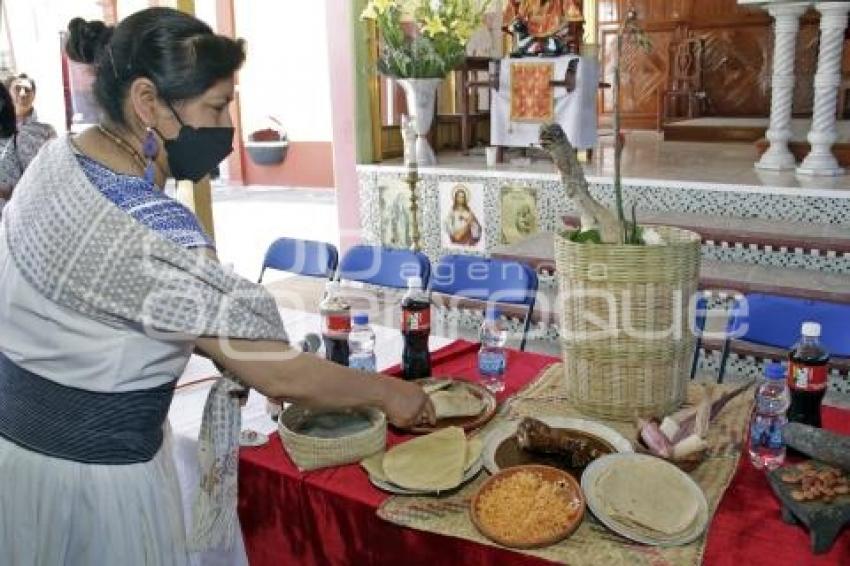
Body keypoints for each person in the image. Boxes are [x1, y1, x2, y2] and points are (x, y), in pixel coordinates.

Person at [0, 8, 433, 565]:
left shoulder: (53, 163)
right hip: (96, 494)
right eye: (215, 106)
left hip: (18, 466)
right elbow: (281, 370)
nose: (225, 125)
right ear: (148, 102)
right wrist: (390, 393)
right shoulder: (157, 233)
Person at [0, 77, 56, 207]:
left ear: (34, 95)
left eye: (27, 89)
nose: (23, 93)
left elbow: (54, 167)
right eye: (18, 89)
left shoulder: (46, 130)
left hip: (36, 202)